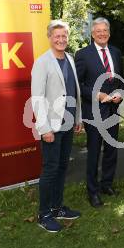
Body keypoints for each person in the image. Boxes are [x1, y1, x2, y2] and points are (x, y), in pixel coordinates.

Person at [31, 20, 82, 232]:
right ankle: (44, 214)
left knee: (62, 167)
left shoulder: (69, 58)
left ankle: (57, 207)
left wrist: (77, 118)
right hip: (51, 126)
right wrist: (44, 129)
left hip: (68, 123)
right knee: (50, 169)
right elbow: (37, 97)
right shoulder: (42, 62)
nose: (61, 40)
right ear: (50, 37)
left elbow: (74, 90)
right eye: (57, 36)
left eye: (64, 36)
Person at [75, 17, 124, 208]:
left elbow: (118, 80)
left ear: (109, 33)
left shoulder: (116, 52)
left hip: (113, 109)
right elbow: (78, 85)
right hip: (94, 110)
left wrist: (120, 92)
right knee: (94, 151)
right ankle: (93, 191)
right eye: (98, 31)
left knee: (111, 149)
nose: (102, 34)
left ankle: (107, 184)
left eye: (105, 30)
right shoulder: (82, 54)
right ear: (92, 34)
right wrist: (97, 95)